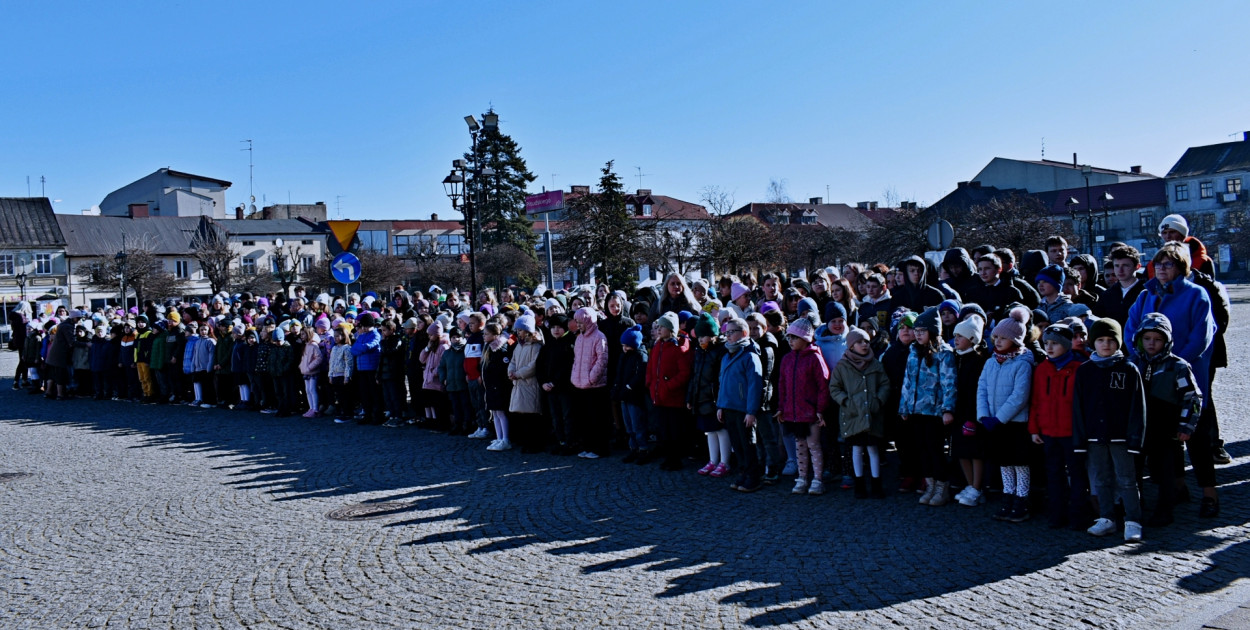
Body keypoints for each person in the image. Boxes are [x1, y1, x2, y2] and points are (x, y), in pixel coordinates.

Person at [1131, 313, 1215, 521]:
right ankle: (1134, 507)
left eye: (1158, 339)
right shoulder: (1133, 364)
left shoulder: (1177, 366)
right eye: (1147, 339)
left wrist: (1187, 426)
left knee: (1164, 472)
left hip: (1166, 429)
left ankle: (1165, 510)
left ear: (1167, 341)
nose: (1152, 344)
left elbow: (1193, 398)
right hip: (1139, 428)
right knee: (1135, 468)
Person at [1074, 318, 1146, 542]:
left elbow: (1138, 407)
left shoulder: (1128, 369)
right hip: (1095, 435)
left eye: (1111, 340)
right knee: (1101, 478)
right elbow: (1078, 407)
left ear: (1118, 343)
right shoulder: (1085, 371)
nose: (1106, 345)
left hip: (1121, 437)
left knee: (1126, 479)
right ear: (1093, 343)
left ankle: (1133, 520)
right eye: (1101, 340)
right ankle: (1107, 517)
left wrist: (1136, 439)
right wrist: (1080, 439)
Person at [1125, 243, 1216, 409]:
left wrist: (1173, 367)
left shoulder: (1196, 294)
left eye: (1168, 264)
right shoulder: (1146, 294)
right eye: (1158, 264)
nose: (1161, 268)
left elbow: (1200, 339)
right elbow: (1130, 330)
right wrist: (1141, 360)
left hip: (1184, 375)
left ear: (1181, 267)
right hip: (1148, 374)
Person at [978, 306, 1036, 522]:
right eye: (996, 336)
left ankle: (1022, 500)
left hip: (1015, 423)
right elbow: (981, 388)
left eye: (1004, 337)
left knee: (1019, 463)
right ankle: (1007, 496)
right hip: (994, 422)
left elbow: (1019, 396)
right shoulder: (991, 361)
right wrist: (983, 415)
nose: (999, 341)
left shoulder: (1022, 363)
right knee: (1003, 462)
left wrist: (999, 418)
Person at [1028, 323, 1088, 529]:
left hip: (1071, 432)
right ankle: (1057, 514)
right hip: (1048, 431)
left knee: (1077, 475)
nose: (1050, 348)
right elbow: (1035, 399)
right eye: (1047, 343)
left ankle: (1078, 515)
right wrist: (1034, 428)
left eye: (1055, 343)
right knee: (1053, 474)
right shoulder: (1042, 369)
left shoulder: (1080, 368)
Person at [899, 307, 958, 506]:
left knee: (935, 449)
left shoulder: (945, 354)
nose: (917, 335)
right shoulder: (913, 352)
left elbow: (949, 383)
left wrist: (947, 409)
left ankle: (942, 486)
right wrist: (904, 407)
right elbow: (907, 382)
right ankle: (930, 484)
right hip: (916, 410)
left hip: (935, 411)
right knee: (921, 449)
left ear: (933, 331)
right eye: (916, 331)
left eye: (922, 331)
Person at [829, 326, 889, 499]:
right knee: (856, 449)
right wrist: (845, 401)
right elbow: (834, 387)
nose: (864, 345)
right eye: (859, 342)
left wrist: (878, 400)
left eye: (866, 341)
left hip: (872, 413)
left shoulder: (875, 363)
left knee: (873, 449)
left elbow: (884, 384)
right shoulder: (842, 366)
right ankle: (860, 484)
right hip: (853, 415)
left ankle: (877, 483)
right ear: (851, 345)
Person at [777, 317, 830, 496]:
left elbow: (823, 385)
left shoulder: (815, 357)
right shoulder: (787, 359)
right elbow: (782, 385)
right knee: (800, 445)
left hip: (811, 411)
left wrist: (820, 409)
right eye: (789, 337)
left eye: (794, 337)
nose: (790, 341)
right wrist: (781, 407)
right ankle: (802, 477)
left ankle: (817, 479)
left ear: (805, 339)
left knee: (813, 445)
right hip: (793, 412)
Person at [716, 316, 764, 491]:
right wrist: (720, 405)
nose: (728, 336)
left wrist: (751, 411)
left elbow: (754, 385)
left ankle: (754, 477)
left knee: (748, 444)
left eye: (732, 332)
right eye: (726, 332)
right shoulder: (727, 356)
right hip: (729, 407)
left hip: (743, 409)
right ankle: (743, 473)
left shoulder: (750, 355)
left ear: (743, 333)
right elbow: (722, 382)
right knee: (737, 445)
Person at [948, 314, 989, 507]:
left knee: (975, 452)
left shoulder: (979, 360)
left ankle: (977, 486)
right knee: (960, 451)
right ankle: (970, 484)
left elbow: (978, 391)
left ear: (972, 339)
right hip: (958, 411)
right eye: (955, 335)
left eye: (960, 336)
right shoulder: (955, 358)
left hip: (973, 412)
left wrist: (974, 416)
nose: (956, 340)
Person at [649, 311, 695, 470]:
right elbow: (651, 367)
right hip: (659, 396)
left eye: (662, 327)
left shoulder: (679, 348)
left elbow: (684, 373)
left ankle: (675, 459)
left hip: (673, 398)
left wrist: (668, 386)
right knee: (663, 430)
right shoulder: (657, 346)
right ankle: (667, 457)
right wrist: (650, 383)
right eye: (658, 327)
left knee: (674, 431)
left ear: (671, 329)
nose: (659, 329)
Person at [688, 313, 728, 477]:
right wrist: (691, 397)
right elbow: (694, 376)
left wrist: (720, 399)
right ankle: (713, 459)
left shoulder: (720, 351)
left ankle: (724, 461)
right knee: (709, 431)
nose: (701, 340)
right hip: (702, 398)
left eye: (704, 336)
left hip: (715, 398)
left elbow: (721, 378)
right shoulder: (699, 351)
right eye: (699, 336)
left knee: (721, 430)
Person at [570, 307, 610, 459]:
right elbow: (576, 360)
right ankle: (587, 446)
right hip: (580, 385)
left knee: (597, 420)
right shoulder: (579, 338)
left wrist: (591, 378)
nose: (578, 325)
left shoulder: (599, 337)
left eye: (580, 322)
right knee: (584, 419)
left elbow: (602, 360)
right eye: (577, 322)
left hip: (595, 386)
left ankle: (599, 448)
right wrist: (575, 377)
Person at [538, 314, 578, 454]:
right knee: (556, 417)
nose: (556, 330)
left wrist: (554, 382)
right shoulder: (547, 345)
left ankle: (570, 442)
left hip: (565, 388)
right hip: (550, 389)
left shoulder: (570, 343)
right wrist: (543, 382)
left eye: (559, 327)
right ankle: (561, 441)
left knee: (568, 416)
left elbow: (568, 366)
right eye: (553, 327)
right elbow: (540, 366)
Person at [508, 314, 545, 454]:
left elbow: (533, 365)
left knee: (532, 417)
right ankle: (527, 442)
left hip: (530, 384)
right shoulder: (518, 345)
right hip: (519, 384)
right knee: (523, 416)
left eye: (521, 330)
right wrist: (511, 371)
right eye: (517, 330)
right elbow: (512, 361)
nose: (518, 333)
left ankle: (535, 443)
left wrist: (518, 374)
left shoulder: (535, 346)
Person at [613, 324, 650, 463]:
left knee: (637, 424)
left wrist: (629, 386)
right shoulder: (624, 355)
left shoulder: (640, 355)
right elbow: (619, 373)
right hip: (625, 394)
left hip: (635, 396)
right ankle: (633, 449)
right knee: (629, 425)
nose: (624, 348)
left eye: (627, 345)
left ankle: (643, 449)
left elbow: (640, 374)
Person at [481, 322, 515, 451]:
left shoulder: (501, 350)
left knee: (501, 413)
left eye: (487, 334)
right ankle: (499, 437)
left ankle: (505, 438)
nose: (484, 336)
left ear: (495, 335)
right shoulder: (488, 348)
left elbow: (501, 369)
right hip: (490, 386)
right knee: (494, 413)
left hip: (499, 387)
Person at [1094, 246, 1146, 326]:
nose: (1120, 270)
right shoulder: (1107, 295)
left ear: (1137, 266)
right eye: (1117, 266)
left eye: (1125, 265)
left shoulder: (1147, 292)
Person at [968, 254, 1024, 322]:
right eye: (980, 269)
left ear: (999, 269)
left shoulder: (1011, 292)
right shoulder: (973, 292)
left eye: (987, 268)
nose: (983, 273)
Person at [351, 313, 383, 425]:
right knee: (364, 393)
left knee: (374, 393)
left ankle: (377, 415)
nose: (363, 328)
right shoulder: (362, 335)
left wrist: (361, 348)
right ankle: (367, 415)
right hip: (362, 368)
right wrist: (362, 348)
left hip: (372, 367)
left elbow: (369, 346)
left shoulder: (376, 334)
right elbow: (353, 350)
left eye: (365, 326)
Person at [378, 320, 407, 427]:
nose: (383, 333)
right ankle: (392, 416)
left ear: (392, 330)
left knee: (395, 396)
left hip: (394, 373)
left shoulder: (397, 340)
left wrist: (383, 342)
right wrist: (378, 374)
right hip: (385, 373)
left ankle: (398, 416)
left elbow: (389, 351)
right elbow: (381, 360)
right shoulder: (385, 342)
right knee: (388, 397)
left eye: (385, 330)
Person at [298, 327, 326, 418]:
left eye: (303, 334)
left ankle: (315, 409)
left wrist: (310, 367)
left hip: (312, 372)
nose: (301, 336)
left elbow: (319, 358)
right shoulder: (306, 345)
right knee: (307, 390)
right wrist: (302, 366)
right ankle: (311, 408)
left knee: (312, 390)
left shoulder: (313, 345)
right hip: (306, 371)